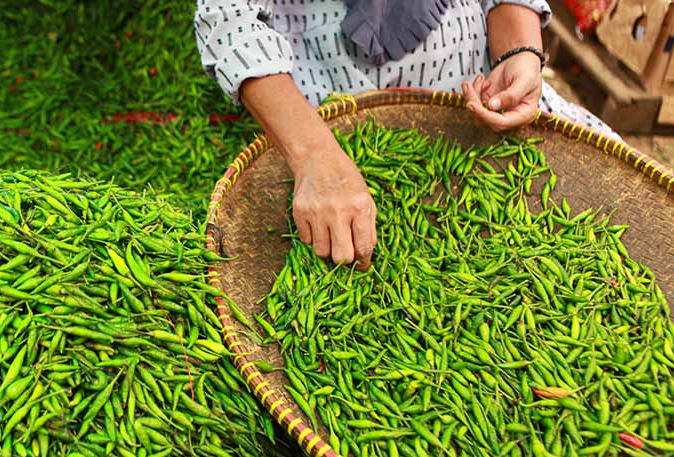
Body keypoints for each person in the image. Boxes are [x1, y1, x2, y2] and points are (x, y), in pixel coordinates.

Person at [194, 0, 618, 271]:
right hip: (329, 110)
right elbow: (230, 16)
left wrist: (517, 52)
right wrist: (313, 156)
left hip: (473, 81)